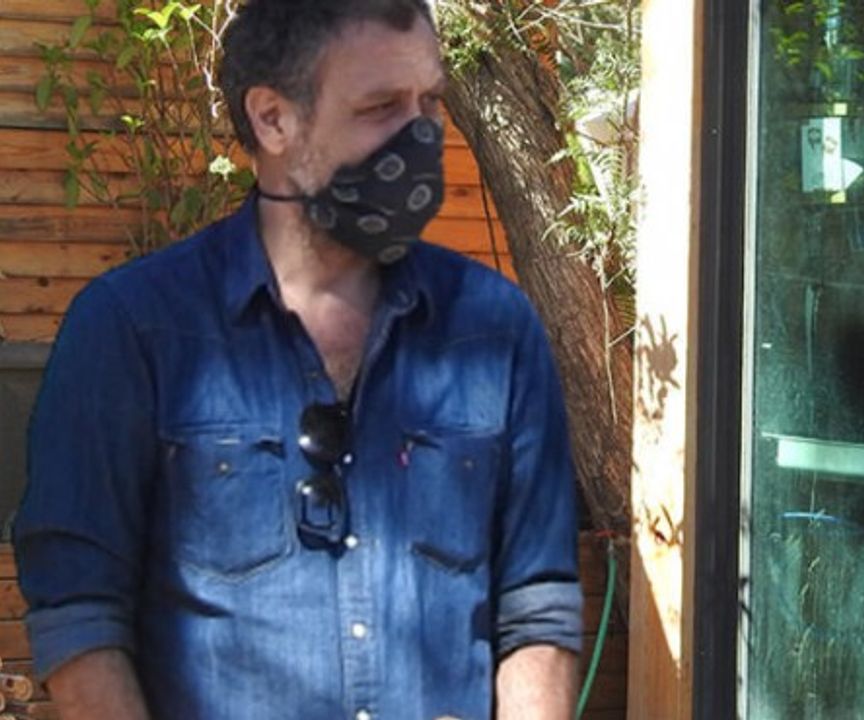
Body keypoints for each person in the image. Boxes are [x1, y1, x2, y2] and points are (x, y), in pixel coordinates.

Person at [15, 2, 582, 719]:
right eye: (380, 107)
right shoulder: (134, 328)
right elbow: (79, 611)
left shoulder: (493, 328)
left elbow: (537, 603)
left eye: (430, 102)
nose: (422, 135)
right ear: (273, 119)